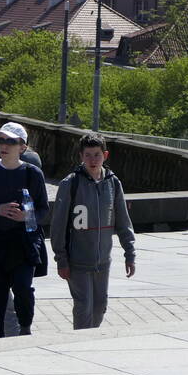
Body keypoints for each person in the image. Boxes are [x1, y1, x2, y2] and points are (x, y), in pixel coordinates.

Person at [50, 134, 137, 330]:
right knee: (84, 307)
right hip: (77, 262)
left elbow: (123, 221)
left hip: (102, 262)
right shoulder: (70, 184)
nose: (92, 160)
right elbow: (58, 225)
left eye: (97, 155)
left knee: (100, 307)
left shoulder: (113, 184)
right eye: (87, 155)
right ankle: (80, 346)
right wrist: (61, 259)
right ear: (81, 155)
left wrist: (129, 253)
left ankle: (90, 338)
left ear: (105, 155)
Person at [0, 122, 48, 340]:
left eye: (11, 141)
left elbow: (43, 210)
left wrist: (27, 216)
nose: (4, 145)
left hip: (24, 242)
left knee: (23, 288)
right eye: (1, 140)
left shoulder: (33, 173)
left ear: (22, 147)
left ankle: (25, 328)